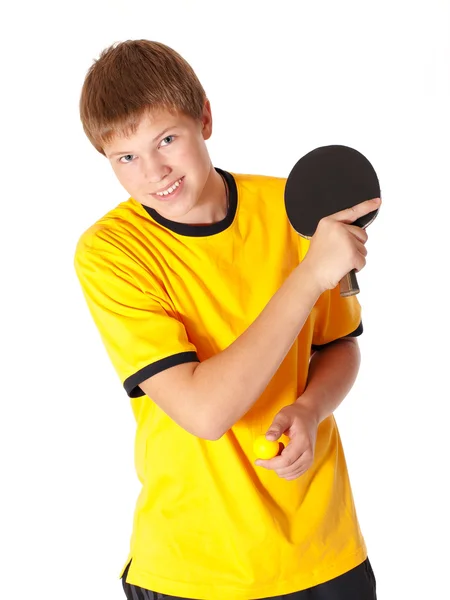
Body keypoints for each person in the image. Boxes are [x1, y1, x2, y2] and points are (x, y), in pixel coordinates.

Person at [74, 39, 380, 600]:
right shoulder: (111, 253)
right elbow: (206, 413)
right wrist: (310, 275)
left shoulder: (292, 209)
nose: (154, 172)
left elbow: (339, 345)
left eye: (167, 139)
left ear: (204, 119)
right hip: (194, 570)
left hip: (324, 551)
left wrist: (310, 410)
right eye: (126, 157)